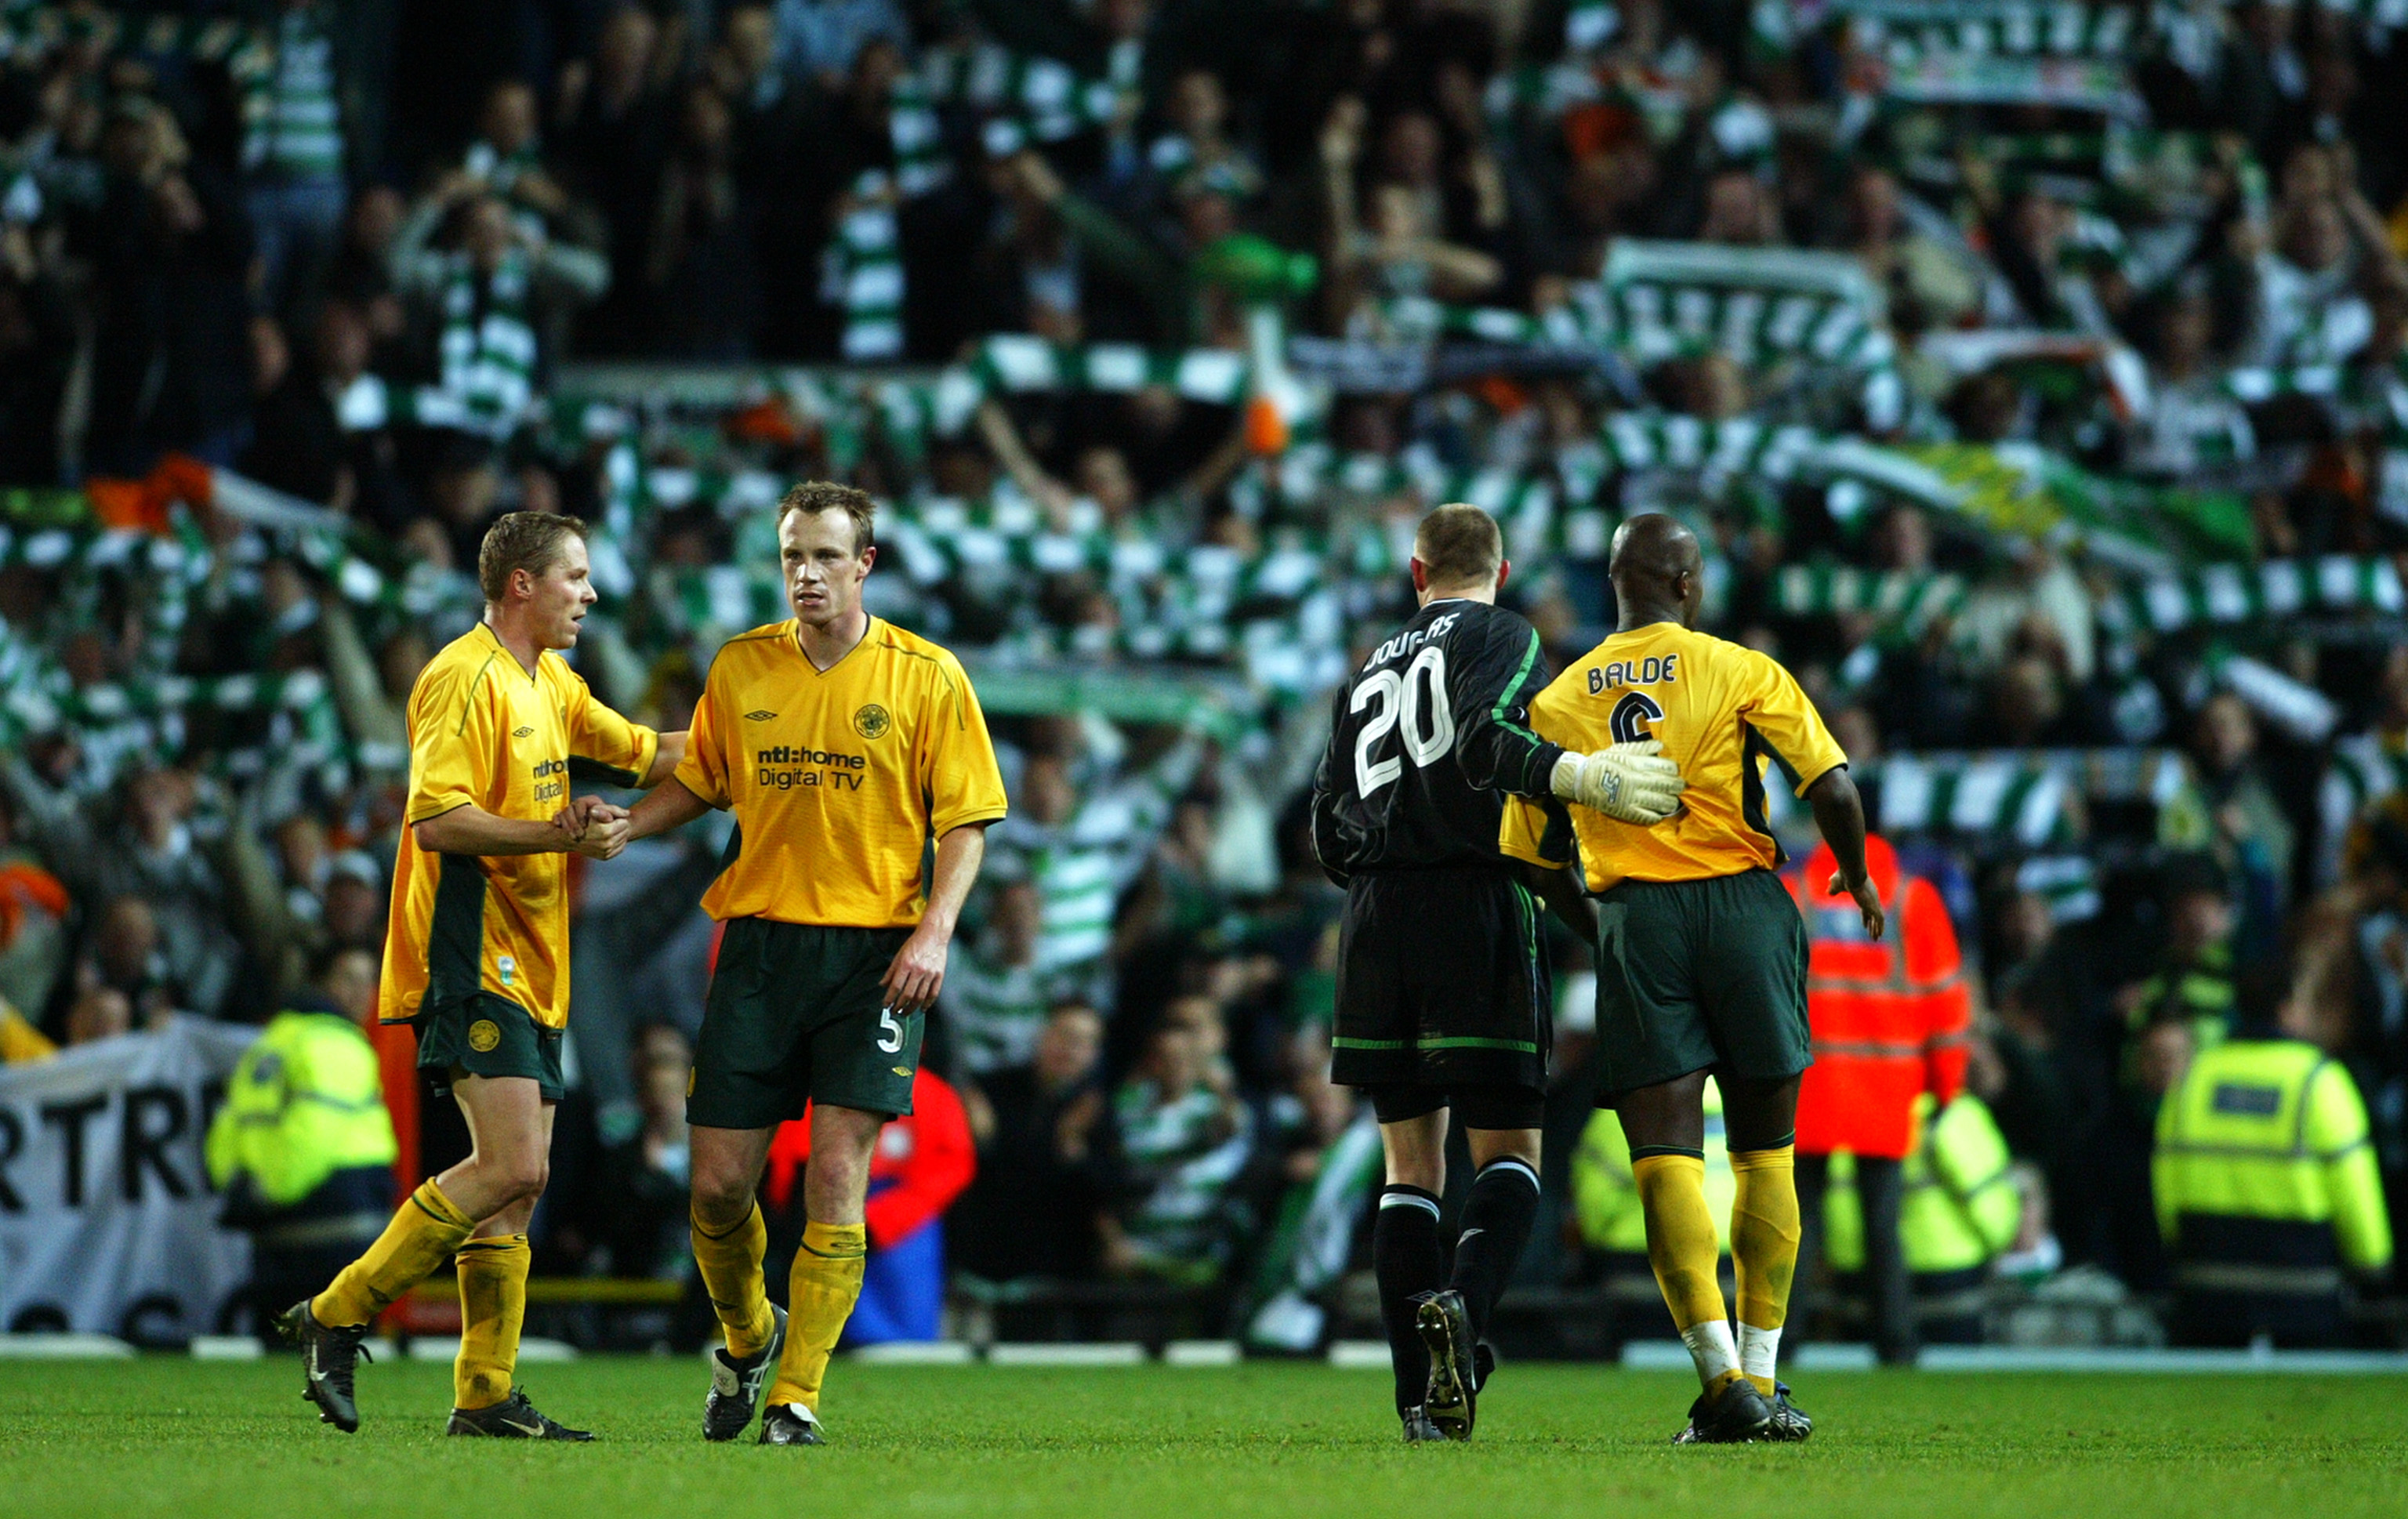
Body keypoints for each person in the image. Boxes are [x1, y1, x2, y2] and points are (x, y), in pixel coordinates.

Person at [280, 511, 687, 1439]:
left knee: (518, 1187)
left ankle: (484, 1392)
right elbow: (436, 821)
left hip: (536, 962)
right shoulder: (460, 680)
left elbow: (644, 750)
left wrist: (758, 743)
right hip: (473, 954)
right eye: (575, 578)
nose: (589, 594)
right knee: (512, 1161)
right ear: (521, 586)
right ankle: (335, 1314)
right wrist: (556, 831)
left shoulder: (551, 680)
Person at [618, 480, 1007, 1447]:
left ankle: (796, 1397)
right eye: (793, 554)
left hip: (877, 953)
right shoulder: (743, 667)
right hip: (758, 947)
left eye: (826, 556)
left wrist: (935, 932)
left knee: (838, 1172)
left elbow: (966, 824)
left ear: (864, 565)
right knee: (716, 1187)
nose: (806, 573)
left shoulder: (927, 676)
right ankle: (750, 1340)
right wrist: (630, 823)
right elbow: (706, 783)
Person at [1308, 502, 1685, 1443]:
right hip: (1475, 907)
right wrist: (1586, 777)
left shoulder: (1368, 666)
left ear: (1416, 571)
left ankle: (1416, 1403)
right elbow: (1482, 741)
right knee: (1510, 1153)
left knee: (1409, 1171)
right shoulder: (1501, 633)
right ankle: (1464, 1321)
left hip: (1376, 920)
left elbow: (1324, 827)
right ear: (1502, 572)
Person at [1500, 513, 1879, 1445]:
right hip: (1748, 910)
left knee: (1665, 1155)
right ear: (1687, 583)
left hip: (1642, 921)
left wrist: (1605, 929)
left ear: (1617, 585)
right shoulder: (1739, 666)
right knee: (1765, 1151)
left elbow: (1529, 857)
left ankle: (1720, 1383)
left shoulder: (1558, 701)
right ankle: (1762, 1369)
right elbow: (1828, 781)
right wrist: (1858, 873)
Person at [1785, 832, 1971, 1365]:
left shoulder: (1794, 894)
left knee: (1797, 1226)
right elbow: (1945, 1000)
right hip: (1886, 1091)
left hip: (1809, 1087)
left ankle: (1780, 1343)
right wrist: (1946, 1083)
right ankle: (1896, 1344)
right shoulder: (1912, 900)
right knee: (1883, 1228)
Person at [2154, 1017, 2393, 1347]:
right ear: (2288, 1006)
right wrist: (2372, 1264)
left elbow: (2166, 1177)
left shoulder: (2195, 1076)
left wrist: (2176, 1245)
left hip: (2209, 1286)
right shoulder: (2319, 1079)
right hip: (2306, 1292)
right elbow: (2353, 1182)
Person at [206, 945, 396, 1338]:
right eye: (349, 978)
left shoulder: (269, 1043)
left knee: (277, 1366)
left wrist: (245, 1190)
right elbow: (316, 1133)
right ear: (321, 983)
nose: (362, 992)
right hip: (337, 1231)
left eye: (370, 980)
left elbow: (228, 1129)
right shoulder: (337, 1043)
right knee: (340, 1371)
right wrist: (274, 1190)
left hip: (274, 1233)